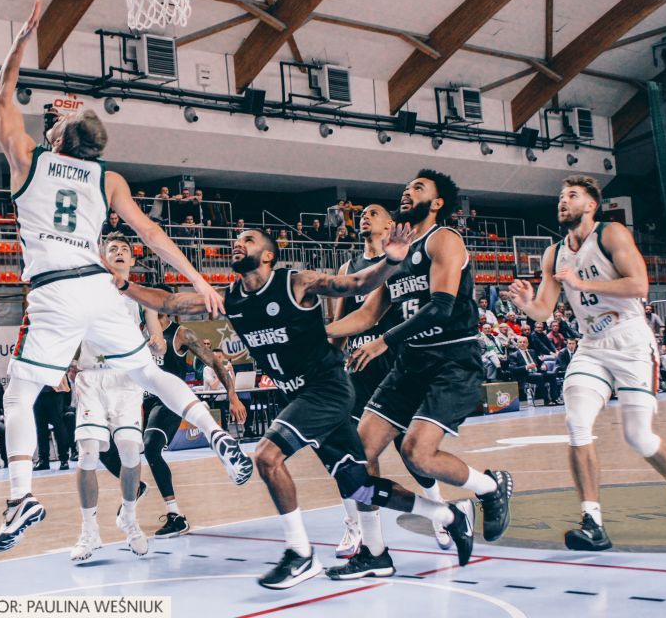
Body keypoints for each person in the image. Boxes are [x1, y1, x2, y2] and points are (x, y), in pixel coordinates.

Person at [0, 0, 252, 553]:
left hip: (55, 289)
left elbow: (2, 94)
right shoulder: (107, 180)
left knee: (20, 393)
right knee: (149, 373)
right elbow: (152, 235)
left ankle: (20, 497)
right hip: (99, 285)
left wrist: (21, 40)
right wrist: (199, 279)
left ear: (58, 139)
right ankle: (215, 434)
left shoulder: (28, 158)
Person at [120, 225, 476, 589]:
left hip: (326, 388)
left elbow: (355, 284)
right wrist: (123, 285)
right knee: (359, 486)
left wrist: (390, 261)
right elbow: (170, 303)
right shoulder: (231, 298)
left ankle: (300, 554)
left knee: (266, 456)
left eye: (248, 240)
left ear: (268, 255)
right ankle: (443, 518)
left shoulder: (296, 283)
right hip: (298, 395)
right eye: (236, 240)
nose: (238, 244)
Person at [325, 170, 512, 580]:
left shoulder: (443, 240)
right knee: (357, 457)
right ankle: (376, 552)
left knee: (417, 453)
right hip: (410, 364)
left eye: (418, 188)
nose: (408, 192)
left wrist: (384, 341)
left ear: (438, 202)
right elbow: (367, 314)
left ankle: (490, 487)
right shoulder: (398, 252)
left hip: (452, 362)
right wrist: (316, 337)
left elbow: (441, 307)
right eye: (407, 187)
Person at [509, 174, 666, 548]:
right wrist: (527, 304)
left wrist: (583, 284)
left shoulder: (610, 234)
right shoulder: (554, 254)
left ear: (591, 205)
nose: (563, 201)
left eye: (572, 195)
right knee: (576, 423)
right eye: (560, 196)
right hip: (591, 345)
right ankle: (592, 522)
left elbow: (639, 285)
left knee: (637, 436)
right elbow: (544, 310)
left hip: (630, 340)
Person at [329, 203, 450, 558]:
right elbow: (342, 322)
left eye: (373, 212)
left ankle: (439, 512)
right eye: (362, 214)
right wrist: (329, 361)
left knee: (412, 453)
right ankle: (358, 528)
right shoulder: (348, 268)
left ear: (390, 224)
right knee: (351, 454)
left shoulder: (404, 262)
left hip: (396, 362)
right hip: (358, 370)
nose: (365, 217)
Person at [71, 234, 162, 561]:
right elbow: (70, 332)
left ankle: (129, 519)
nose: (120, 252)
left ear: (133, 260)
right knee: (88, 453)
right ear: (103, 258)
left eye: (125, 249)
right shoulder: (85, 292)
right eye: (113, 249)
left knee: (129, 450)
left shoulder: (140, 296)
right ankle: (89, 531)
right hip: (91, 377)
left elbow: (158, 336)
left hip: (125, 379)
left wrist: (157, 343)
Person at [139, 311, 245, 539]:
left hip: (168, 401)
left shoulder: (181, 334)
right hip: (144, 401)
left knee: (151, 447)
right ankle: (134, 496)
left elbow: (214, 362)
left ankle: (175, 515)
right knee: (121, 448)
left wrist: (233, 396)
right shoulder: (139, 332)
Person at [508, 336, 561, 406]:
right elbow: (513, 369)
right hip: (525, 375)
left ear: (527, 344)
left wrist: (543, 365)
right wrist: (526, 367)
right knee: (539, 376)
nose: (522, 344)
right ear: (517, 344)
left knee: (552, 375)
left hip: (537, 372)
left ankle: (555, 398)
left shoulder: (532, 351)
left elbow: (540, 362)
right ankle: (547, 400)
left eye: (524, 342)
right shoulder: (514, 355)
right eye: (520, 342)